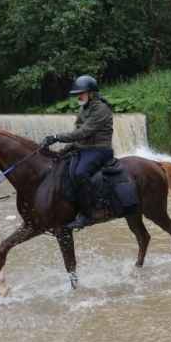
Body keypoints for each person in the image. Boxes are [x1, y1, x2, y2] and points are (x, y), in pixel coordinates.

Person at [41, 75, 114, 230]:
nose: (78, 97)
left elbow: (83, 132)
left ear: (92, 93)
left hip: (100, 149)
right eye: (77, 94)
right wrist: (63, 151)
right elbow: (78, 135)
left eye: (81, 94)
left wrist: (56, 137)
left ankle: (91, 212)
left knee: (80, 173)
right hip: (84, 148)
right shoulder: (83, 108)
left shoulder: (101, 109)